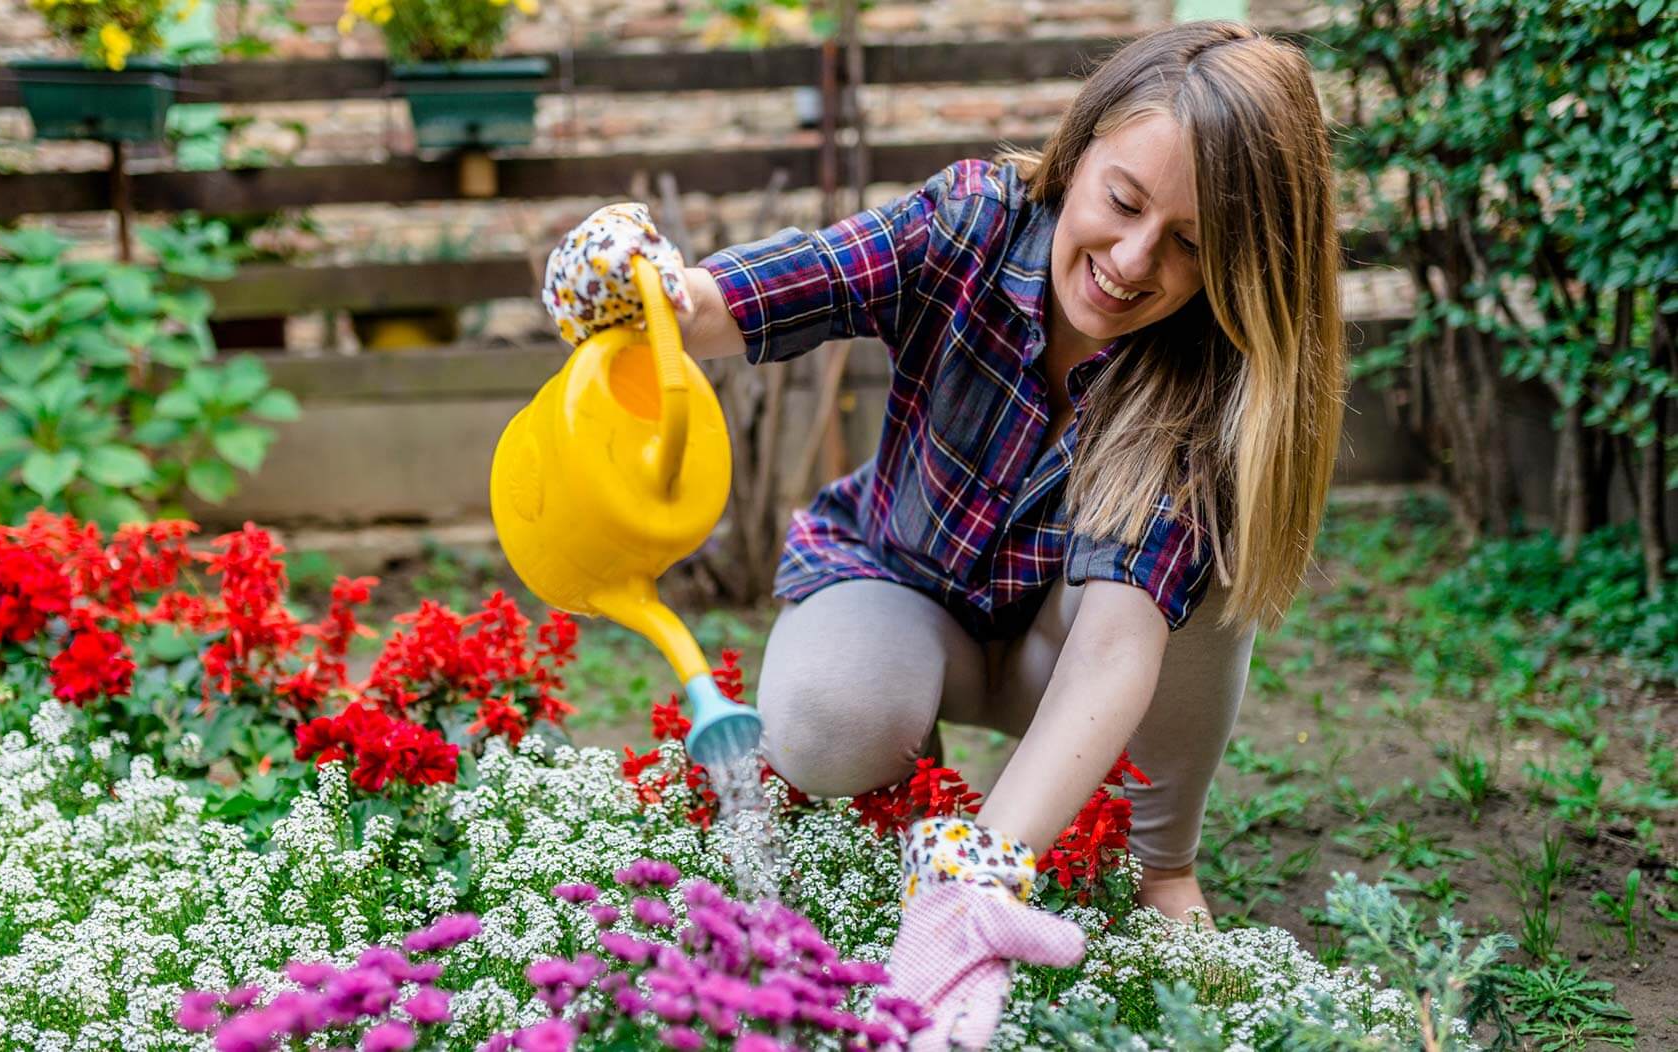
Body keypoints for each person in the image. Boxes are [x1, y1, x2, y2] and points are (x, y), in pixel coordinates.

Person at [540, 19, 1345, 1050]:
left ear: (1239, 263)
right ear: (1081, 147)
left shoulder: (1203, 382)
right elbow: (790, 284)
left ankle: (1162, 866)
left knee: (1207, 598)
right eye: (1123, 201)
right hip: (905, 591)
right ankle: (905, 793)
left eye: (1190, 244)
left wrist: (979, 878)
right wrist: (643, 294)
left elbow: (1109, 653)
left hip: (1066, 655)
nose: (1132, 260)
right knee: (829, 714)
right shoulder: (971, 220)